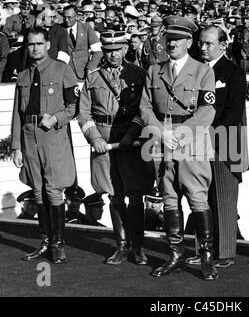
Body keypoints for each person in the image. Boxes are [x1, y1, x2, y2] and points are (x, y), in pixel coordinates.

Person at [140, 15, 218, 280]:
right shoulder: (154, 71)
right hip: (163, 143)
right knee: (169, 198)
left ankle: (207, 256)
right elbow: (145, 107)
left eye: (176, 39)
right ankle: (175, 254)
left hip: (192, 142)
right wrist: (161, 133)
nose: (170, 44)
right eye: (168, 39)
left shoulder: (203, 70)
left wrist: (181, 134)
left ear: (189, 41)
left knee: (197, 197)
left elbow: (207, 111)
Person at [78, 30, 154, 265]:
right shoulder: (92, 77)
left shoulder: (140, 75)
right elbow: (84, 113)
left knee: (135, 194)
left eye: (117, 50)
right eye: (108, 51)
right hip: (103, 141)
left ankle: (138, 247)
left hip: (131, 140)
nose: (113, 55)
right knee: (114, 195)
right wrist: (94, 138)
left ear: (125, 49)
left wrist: (131, 135)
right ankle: (121, 246)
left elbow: (145, 109)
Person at [11, 26, 79, 264]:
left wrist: (56, 118)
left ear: (48, 45)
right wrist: (16, 146)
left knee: (53, 190)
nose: (35, 48)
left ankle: (58, 244)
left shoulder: (62, 70)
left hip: (53, 135)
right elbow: (16, 115)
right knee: (38, 191)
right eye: (31, 44)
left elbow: (74, 107)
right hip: (29, 136)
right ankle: (45, 242)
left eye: (39, 43)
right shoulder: (22, 76)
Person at [185, 25, 248, 268]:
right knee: (200, 198)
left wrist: (206, 134)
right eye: (201, 43)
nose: (203, 47)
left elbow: (233, 112)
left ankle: (225, 253)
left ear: (223, 45)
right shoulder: (196, 71)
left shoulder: (232, 72)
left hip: (226, 142)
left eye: (209, 43)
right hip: (197, 143)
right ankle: (203, 250)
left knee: (223, 198)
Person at [62, 5, 103, 81]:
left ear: (77, 16)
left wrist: (90, 68)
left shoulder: (86, 28)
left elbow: (98, 51)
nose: (66, 20)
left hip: (83, 74)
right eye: (64, 17)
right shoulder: (59, 29)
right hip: (64, 75)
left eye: (69, 17)